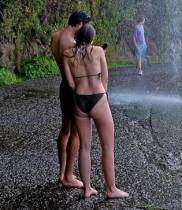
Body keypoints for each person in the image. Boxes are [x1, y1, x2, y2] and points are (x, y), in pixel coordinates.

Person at [63, 24, 129, 199]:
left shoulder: (67, 54)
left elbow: (70, 83)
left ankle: (87, 189)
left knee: (84, 147)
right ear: (91, 38)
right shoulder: (99, 51)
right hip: (98, 98)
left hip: (79, 99)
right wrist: (103, 96)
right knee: (107, 147)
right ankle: (111, 189)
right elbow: (105, 78)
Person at [50, 11, 91, 188]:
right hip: (73, 88)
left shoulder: (56, 36)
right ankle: (68, 176)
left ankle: (62, 173)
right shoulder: (71, 44)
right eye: (85, 25)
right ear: (79, 24)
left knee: (65, 129)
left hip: (63, 87)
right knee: (74, 132)